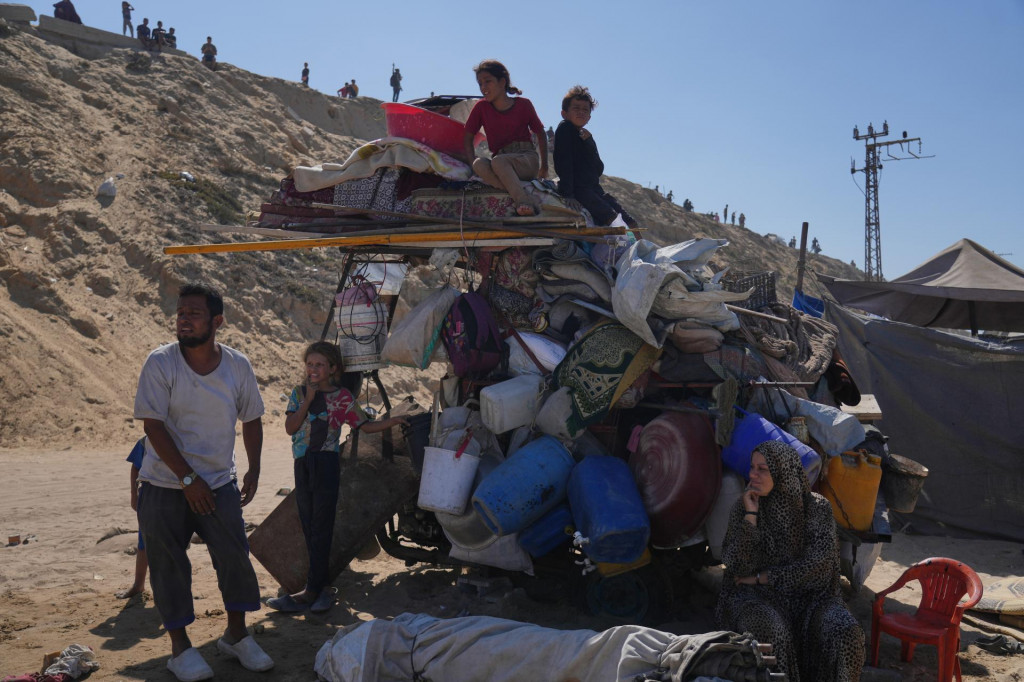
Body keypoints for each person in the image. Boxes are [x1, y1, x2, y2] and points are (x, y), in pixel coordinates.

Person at [134, 283, 273, 682]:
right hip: (163, 483)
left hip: (218, 483)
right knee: (168, 565)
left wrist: (254, 468)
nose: (184, 320)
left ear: (217, 321)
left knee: (234, 557)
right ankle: (180, 649)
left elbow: (252, 418)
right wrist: (187, 478)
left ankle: (236, 635)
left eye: (194, 313)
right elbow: (153, 426)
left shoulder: (237, 365)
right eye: (181, 313)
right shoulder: (161, 362)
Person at [268, 342, 407, 613]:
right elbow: (290, 428)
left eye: (320, 365)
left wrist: (391, 422)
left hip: (326, 465)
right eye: (310, 364)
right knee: (309, 526)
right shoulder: (298, 393)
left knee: (322, 526)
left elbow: (365, 425)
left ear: (333, 368)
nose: (313, 369)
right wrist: (308, 400)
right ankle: (318, 589)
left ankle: (315, 590)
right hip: (302, 465)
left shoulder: (342, 397)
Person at [716, 441, 864, 682]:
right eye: (752, 467)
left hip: (812, 599)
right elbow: (736, 567)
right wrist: (751, 517)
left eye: (762, 469)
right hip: (757, 598)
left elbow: (817, 567)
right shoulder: (743, 507)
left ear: (782, 472)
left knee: (845, 632)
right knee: (768, 629)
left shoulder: (816, 508)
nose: (753, 474)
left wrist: (763, 577)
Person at [462, 59, 548, 216]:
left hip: (525, 159)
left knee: (498, 162)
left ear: (502, 82)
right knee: (479, 164)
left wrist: (544, 168)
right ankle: (523, 196)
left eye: (488, 81)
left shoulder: (524, 105)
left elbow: (541, 134)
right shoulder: (481, 107)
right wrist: (471, 165)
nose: (483, 87)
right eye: (480, 83)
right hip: (500, 163)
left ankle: (522, 202)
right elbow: (468, 137)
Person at [553, 85, 637, 228]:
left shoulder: (584, 136)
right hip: (579, 190)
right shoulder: (565, 128)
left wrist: (589, 143)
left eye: (585, 110)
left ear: (589, 117)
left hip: (594, 189)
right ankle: (626, 242)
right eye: (576, 108)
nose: (581, 112)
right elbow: (563, 162)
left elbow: (598, 168)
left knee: (630, 221)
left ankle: (638, 243)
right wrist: (568, 194)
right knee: (613, 219)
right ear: (564, 113)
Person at [115, 437, 149, 600]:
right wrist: (134, 495)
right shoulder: (147, 440)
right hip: (150, 498)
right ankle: (138, 585)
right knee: (144, 544)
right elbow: (135, 467)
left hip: (178, 499)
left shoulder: (183, 435)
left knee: (174, 547)